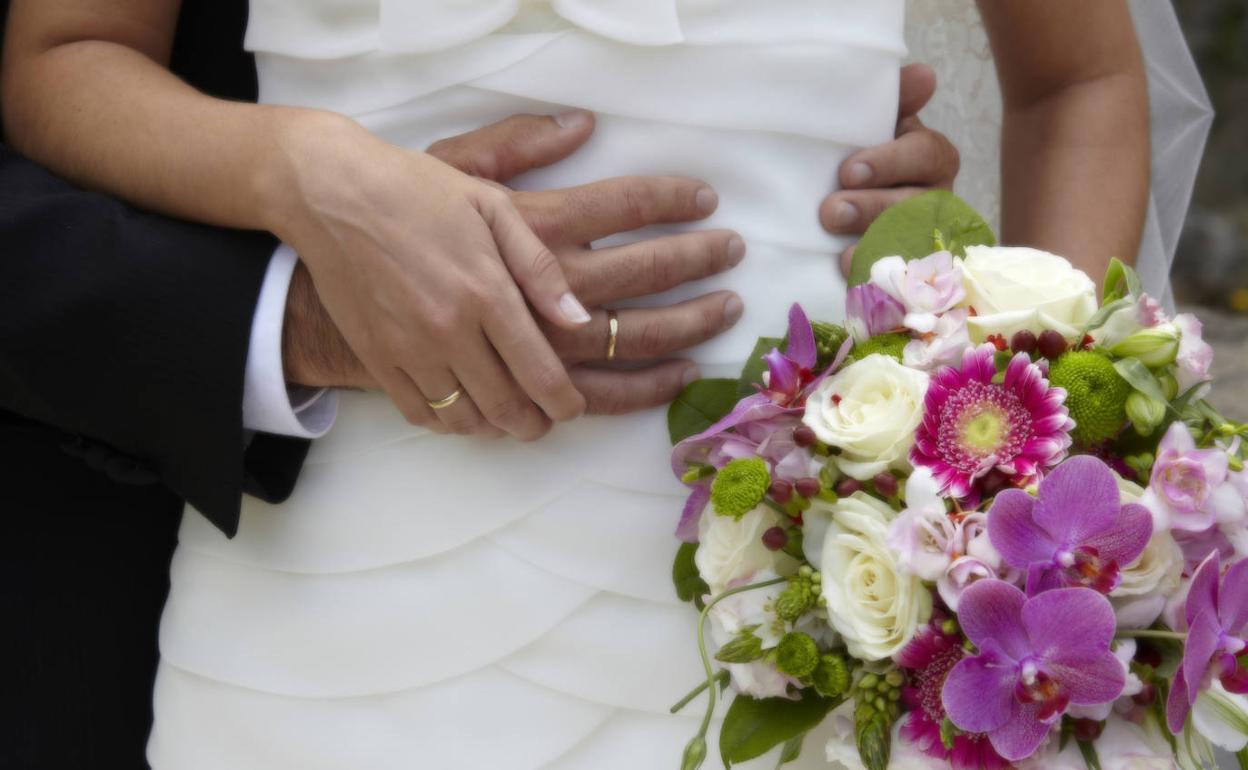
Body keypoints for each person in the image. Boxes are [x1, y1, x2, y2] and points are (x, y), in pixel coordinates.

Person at [3, 2, 1151, 769]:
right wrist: (302, 168)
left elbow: (1079, 79)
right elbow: (66, 53)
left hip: (815, 573)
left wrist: (1024, 447)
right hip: (343, 571)